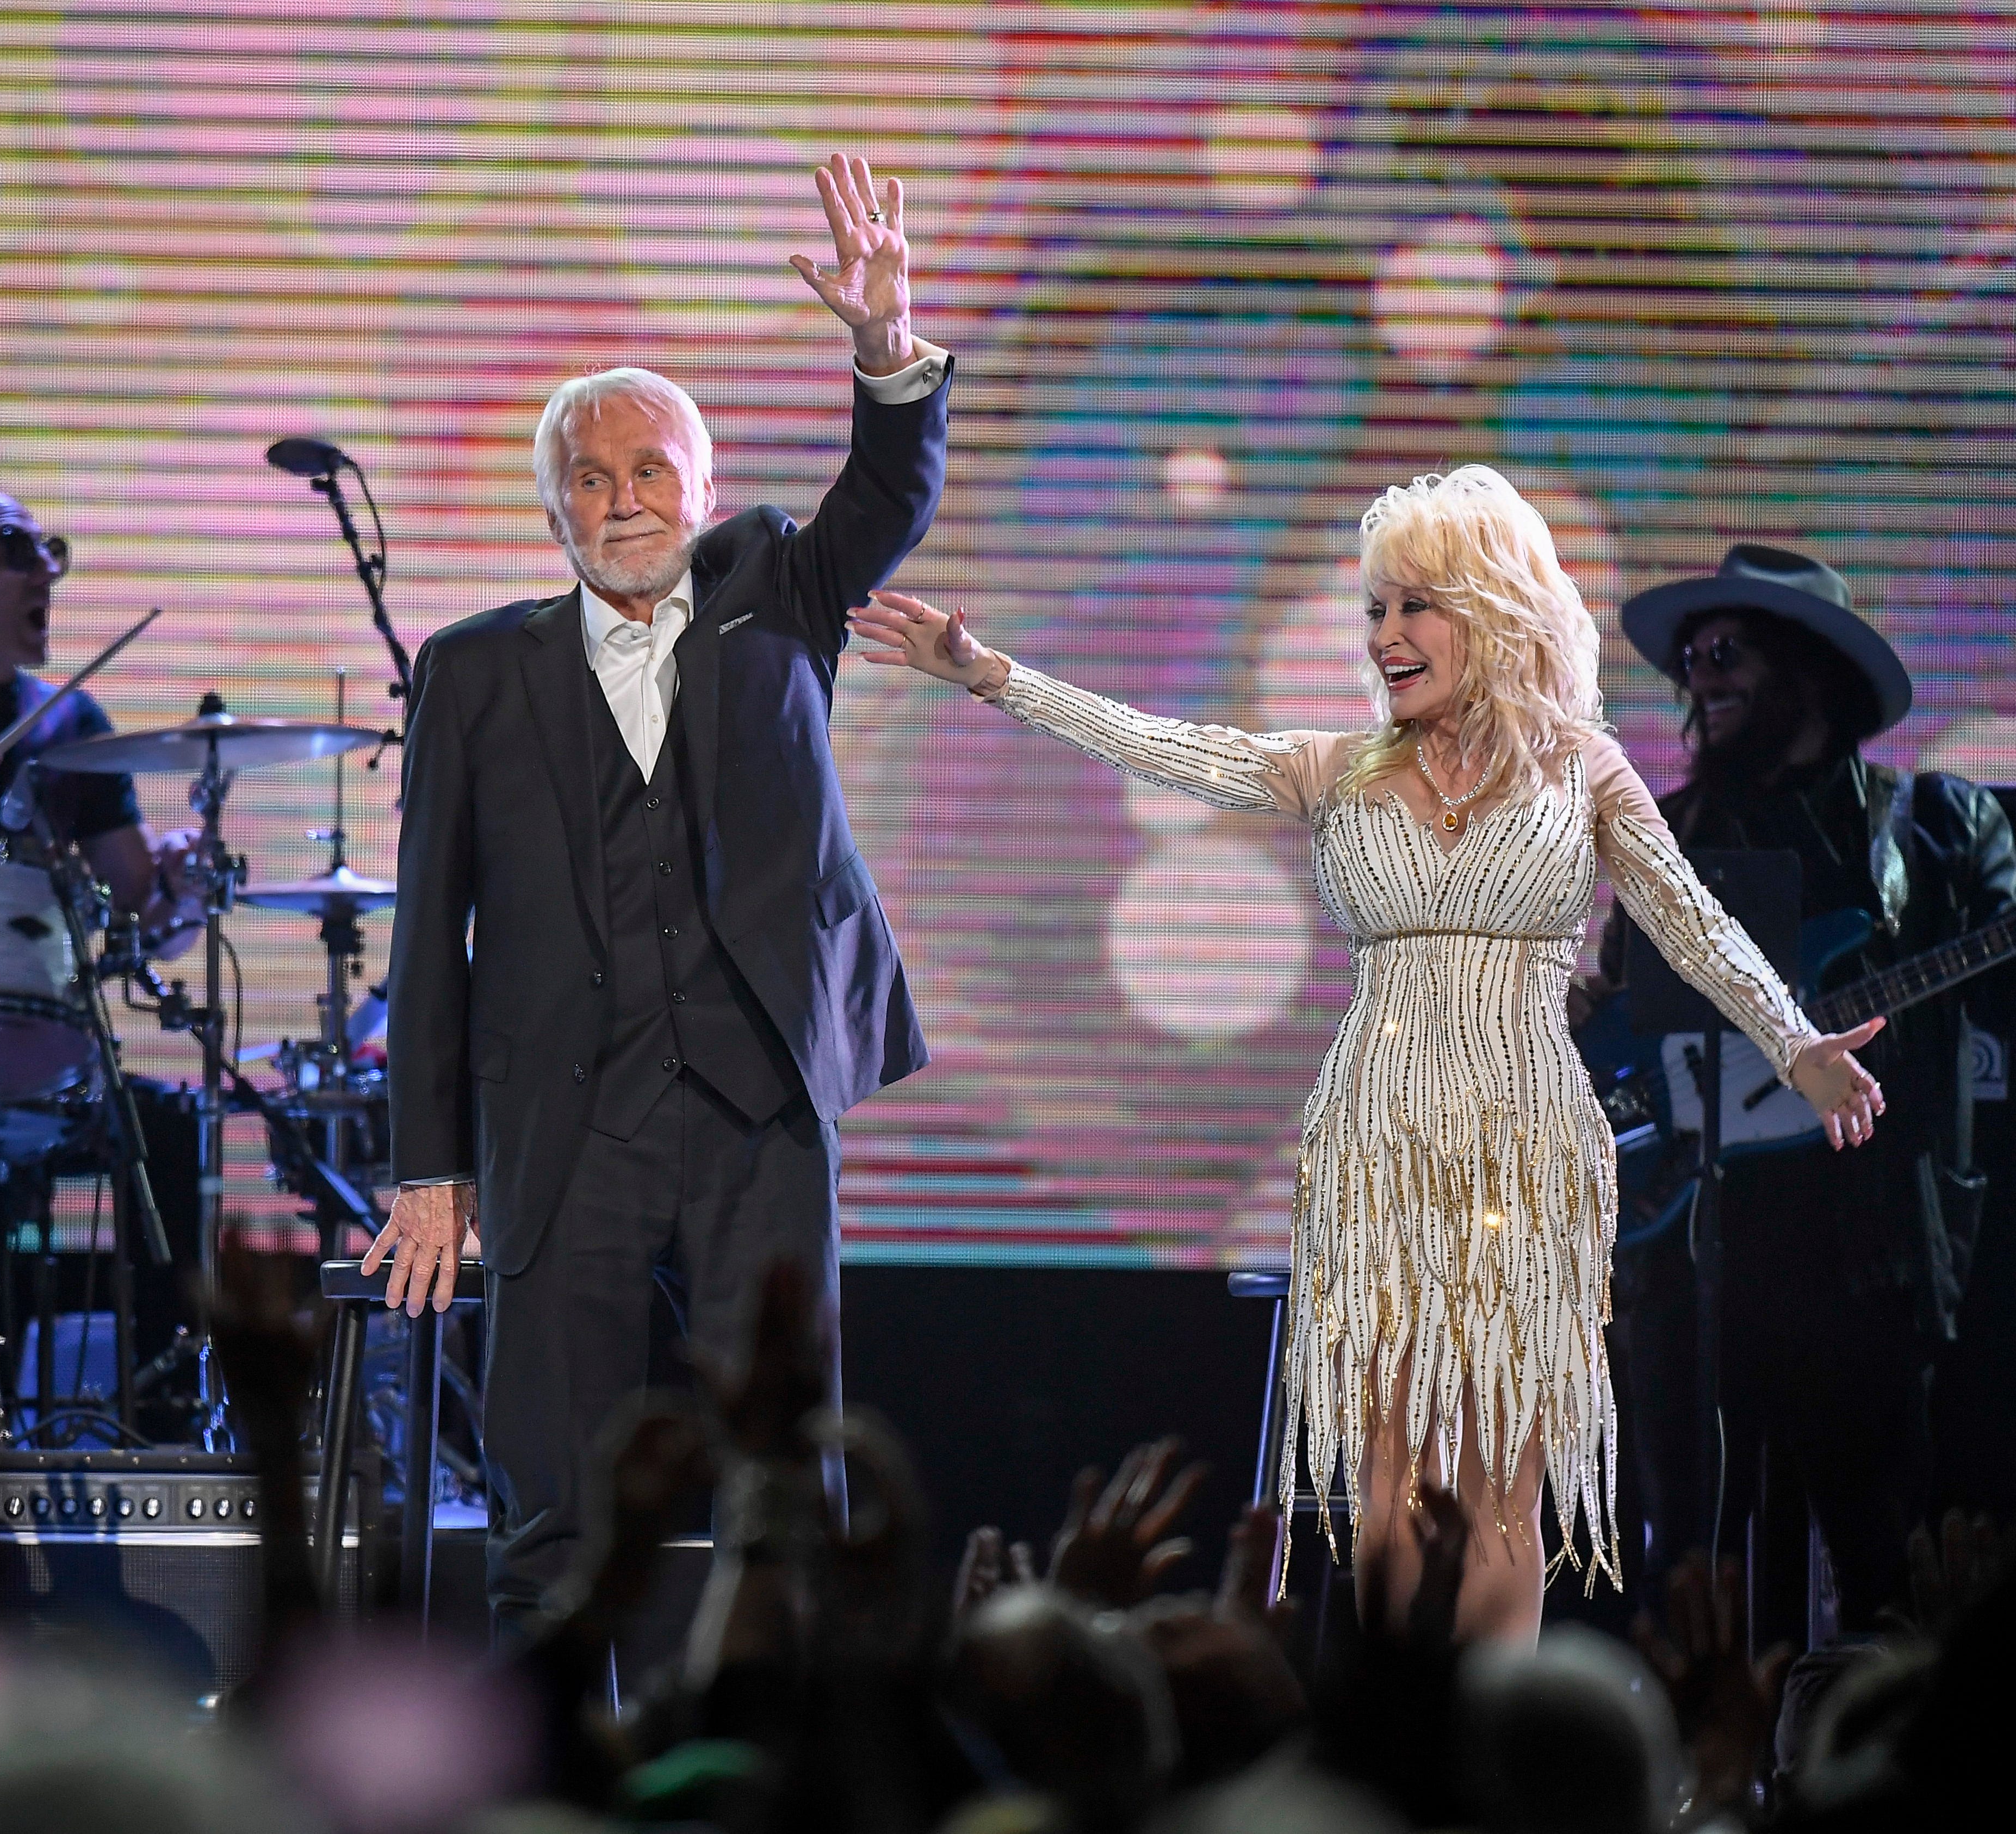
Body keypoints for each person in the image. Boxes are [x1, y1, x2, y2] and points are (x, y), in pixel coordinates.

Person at [849, 467, 1883, 1644]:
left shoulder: (1582, 773)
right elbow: (1162, 748)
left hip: (1522, 1144)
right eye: (1374, 610)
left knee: (1499, 1479)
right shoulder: (1337, 767)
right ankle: (1400, 1749)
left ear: (1495, 610)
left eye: (1415, 607)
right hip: (1375, 1141)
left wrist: (1795, 1045)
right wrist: (990, 677)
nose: (1386, 636)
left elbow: (1689, 920)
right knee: (1388, 1471)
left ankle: (1487, 1761)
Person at [375, 153, 950, 1636]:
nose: (622, 498)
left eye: (649, 472)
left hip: (758, 1102)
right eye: (590, 475)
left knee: (783, 1483)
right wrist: (430, 1164)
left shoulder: (780, 591)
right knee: (554, 1501)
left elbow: (891, 488)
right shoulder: (473, 667)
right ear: (553, 505)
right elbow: (428, 931)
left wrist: (884, 348)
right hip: (565, 1119)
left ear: (697, 491)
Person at [1589, 544, 2016, 1631]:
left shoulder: (1937, 829)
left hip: (1861, 1264)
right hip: (1694, 1253)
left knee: (1880, 1576)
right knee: (1685, 1572)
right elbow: (1621, 1032)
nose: (1699, 679)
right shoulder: (1667, 837)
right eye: (1689, 659)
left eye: (1723, 652)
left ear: (1809, 670)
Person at [0, 491, 197, 942]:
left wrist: (183, 892)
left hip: (40, 1006)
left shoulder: (73, 724)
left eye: (51, 553)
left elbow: (148, 923)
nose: (49, 571)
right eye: (17, 550)